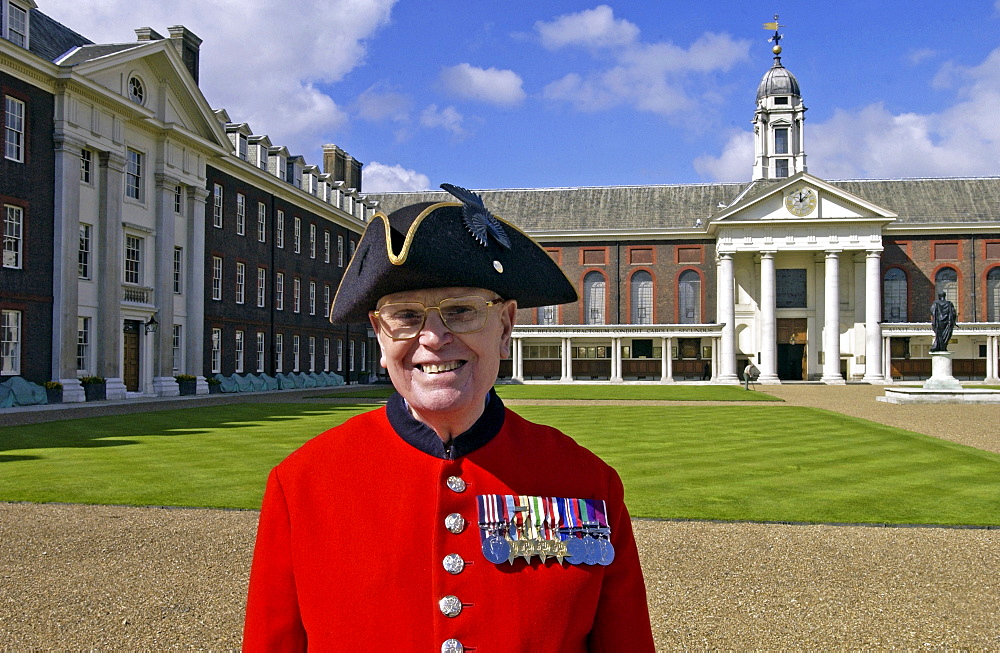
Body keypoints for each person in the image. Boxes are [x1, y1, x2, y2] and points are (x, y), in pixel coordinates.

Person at [243, 184, 655, 652]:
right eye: (406, 315)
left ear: (505, 327)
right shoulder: (302, 485)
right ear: (380, 336)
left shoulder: (585, 481)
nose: (434, 337)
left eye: (461, 310)